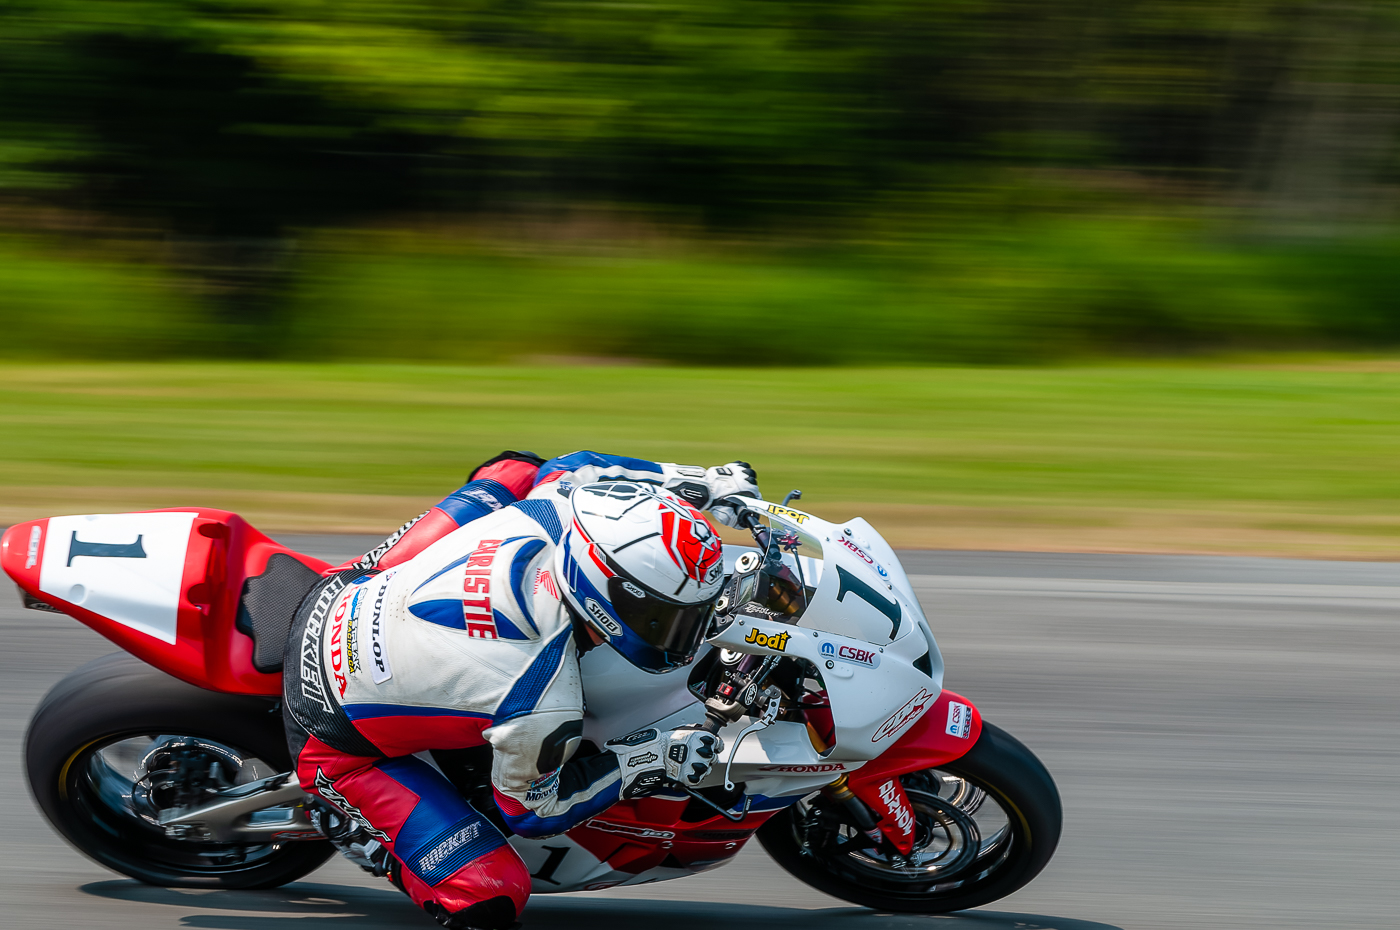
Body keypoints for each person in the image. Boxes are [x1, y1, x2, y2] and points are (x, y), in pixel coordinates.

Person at [283, 451, 761, 929]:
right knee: (491, 897)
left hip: (350, 586)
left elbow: (575, 464)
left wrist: (701, 480)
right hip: (329, 727)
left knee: (517, 468)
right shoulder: (539, 697)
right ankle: (343, 818)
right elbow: (533, 809)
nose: (690, 631)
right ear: (607, 595)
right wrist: (650, 757)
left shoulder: (555, 509)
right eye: (671, 618)